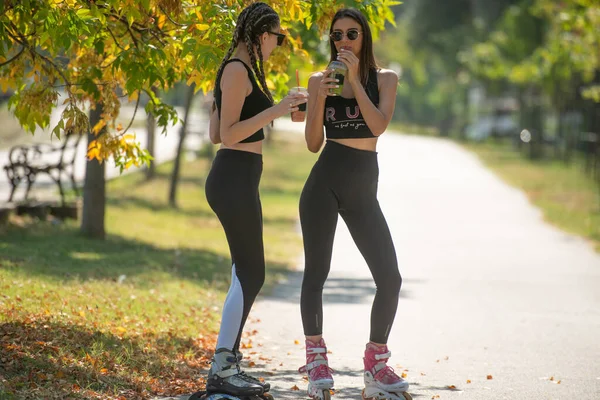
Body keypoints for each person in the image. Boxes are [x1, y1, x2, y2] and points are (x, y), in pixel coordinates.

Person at [298, 8, 409, 400]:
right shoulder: (319, 80)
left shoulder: (385, 79)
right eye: (337, 35)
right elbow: (313, 143)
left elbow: (378, 126)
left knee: (390, 279)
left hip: (363, 189)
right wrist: (319, 96)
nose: (344, 40)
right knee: (316, 273)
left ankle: (376, 364)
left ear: (364, 38)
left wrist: (356, 82)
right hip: (324, 183)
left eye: (352, 33)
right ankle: (316, 363)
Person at [203, 2, 307, 398]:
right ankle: (223, 367)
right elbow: (227, 136)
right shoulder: (235, 70)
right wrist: (278, 108)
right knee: (252, 272)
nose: (277, 45)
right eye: (276, 38)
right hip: (232, 177)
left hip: (239, 177)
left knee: (243, 272)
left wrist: (277, 107)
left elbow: (218, 130)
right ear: (261, 35)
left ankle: (227, 364)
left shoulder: (235, 70)